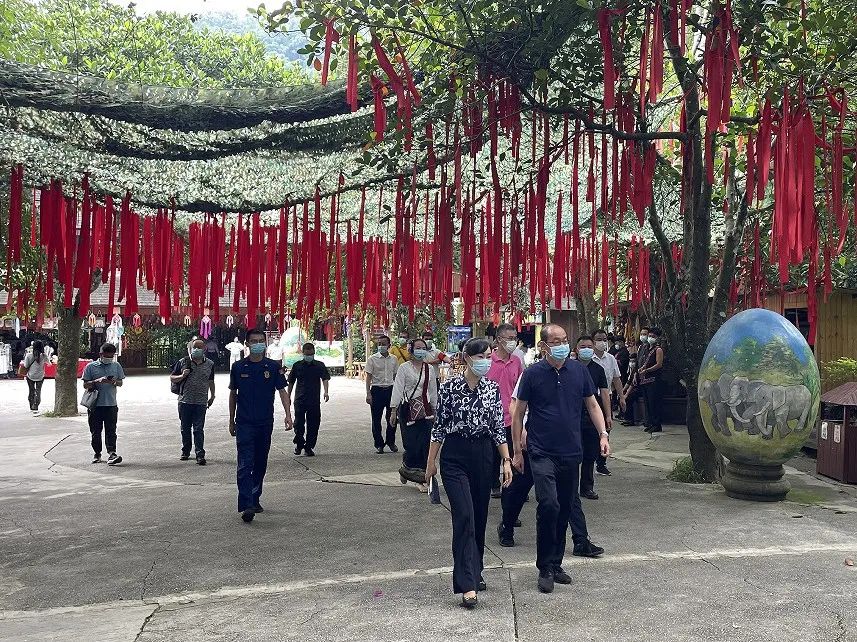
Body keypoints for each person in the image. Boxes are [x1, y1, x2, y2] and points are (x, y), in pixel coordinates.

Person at [511, 324, 609, 594]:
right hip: (541, 451)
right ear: (544, 346)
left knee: (565, 507)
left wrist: (603, 434)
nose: (562, 345)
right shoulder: (532, 374)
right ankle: (544, 566)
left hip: (571, 451)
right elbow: (518, 412)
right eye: (556, 341)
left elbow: (592, 404)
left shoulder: (578, 371)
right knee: (549, 505)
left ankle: (556, 563)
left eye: (565, 340)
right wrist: (518, 451)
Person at [426, 338, 512, 609]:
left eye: (489, 355)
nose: (486, 360)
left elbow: (498, 427)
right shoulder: (450, 387)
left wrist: (506, 460)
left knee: (480, 515)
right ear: (467, 357)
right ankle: (466, 583)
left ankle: (476, 569)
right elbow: (439, 426)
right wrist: (431, 463)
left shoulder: (491, 388)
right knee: (464, 515)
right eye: (482, 356)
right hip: (455, 456)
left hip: (484, 455)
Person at [229, 329, 292, 523]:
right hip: (245, 422)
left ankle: (255, 497)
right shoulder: (239, 367)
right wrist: (231, 419)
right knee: (244, 463)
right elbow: (233, 394)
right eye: (254, 341)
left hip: (265, 422)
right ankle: (246, 504)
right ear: (247, 344)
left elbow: (282, 391)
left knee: (260, 462)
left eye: (260, 341)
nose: (257, 344)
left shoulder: (273, 367)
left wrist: (289, 415)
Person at [390, 338, 438, 491]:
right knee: (411, 444)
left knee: (425, 443)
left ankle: (421, 479)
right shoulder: (404, 368)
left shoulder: (429, 369)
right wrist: (393, 410)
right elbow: (398, 388)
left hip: (425, 410)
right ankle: (407, 470)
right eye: (417, 347)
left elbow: (432, 390)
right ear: (411, 349)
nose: (421, 350)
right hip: (407, 410)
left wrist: (435, 409)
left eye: (423, 347)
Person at [485, 323, 524, 499]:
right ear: (499, 340)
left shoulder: (516, 361)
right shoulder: (487, 361)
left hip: (511, 417)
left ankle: (513, 488)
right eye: (510, 338)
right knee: (492, 455)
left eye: (515, 338)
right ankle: (493, 483)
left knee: (512, 453)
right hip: (489, 418)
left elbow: (521, 388)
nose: (513, 341)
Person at [576, 336, 611, 500]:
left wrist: (608, 415)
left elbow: (604, 393)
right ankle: (569, 487)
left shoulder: (598, 369)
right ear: (576, 349)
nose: (586, 349)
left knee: (590, 454)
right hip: (573, 416)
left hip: (591, 416)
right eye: (583, 346)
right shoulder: (570, 367)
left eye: (589, 346)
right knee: (573, 454)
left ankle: (587, 487)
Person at [170, 339, 215, 465]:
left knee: (198, 428)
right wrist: (182, 376)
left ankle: (200, 454)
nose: (197, 350)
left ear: (204, 349)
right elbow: (172, 378)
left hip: (201, 401)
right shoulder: (183, 362)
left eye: (200, 347)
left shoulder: (210, 364)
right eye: (195, 347)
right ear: (191, 348)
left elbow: (211, 381)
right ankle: (185, 451)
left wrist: (212, 396)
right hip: (185, 400)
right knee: (185, 428)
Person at [82, 343, 126, 466]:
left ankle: (112, 452)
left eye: (111, 356)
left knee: (111, 430)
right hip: (95, 404)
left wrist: (114, 382)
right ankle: (97, 453)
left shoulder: (116, 365)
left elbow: (120, 383)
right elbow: (85, 385)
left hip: (111, 403)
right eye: (107, 356)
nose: (109, 359)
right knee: (96, 431)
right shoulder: (91, 367)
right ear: (101, 354)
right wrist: (97, 381)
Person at [287, 342, 331, 456]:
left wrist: (326, 392)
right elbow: (291, 382)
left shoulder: (320, 365)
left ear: (314, 353)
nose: (309, 356)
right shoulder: (297, 366)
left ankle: (309, 447)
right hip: (300, 399)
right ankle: (299, 444)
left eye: (311, 354)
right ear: (303, 353)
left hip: (314, 400)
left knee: (314, 424)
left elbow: (325, 379)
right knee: (298, 424)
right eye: (307, 354)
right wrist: (288, 396)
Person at [592, 329, 623, 476]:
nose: (602, 342)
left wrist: (622, 397)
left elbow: (616, 379)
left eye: (604, 339)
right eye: (599, 339)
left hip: (605, 398)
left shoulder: (610, 358)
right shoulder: (587, 358)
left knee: (605, 429)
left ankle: (601, 463)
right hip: (589, 398)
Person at [365, 335, 400, 454]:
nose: (381, 346)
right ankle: (379, 444)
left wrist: (399, 392)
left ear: (389, 345)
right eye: (379, 344)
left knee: (392, 418)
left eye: (383, 344)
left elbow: (396, 376)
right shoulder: (372, 359)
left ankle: (391, 442)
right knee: (376, 419)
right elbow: (368, 377)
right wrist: (368, 393)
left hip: (391, 390)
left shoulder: (394, 359)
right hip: (376, 390)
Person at [622, 327, 650, 427]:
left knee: (629, 397)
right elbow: (630, 382)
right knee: (625, 396)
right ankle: (627, 417)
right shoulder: (640, 347)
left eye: (645, 334)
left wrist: (625, 394)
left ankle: (638, 420)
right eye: (641, 333)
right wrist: (622, 391)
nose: (643, 336)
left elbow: (632, 385)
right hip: (638, 380)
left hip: (645, 381)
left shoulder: (651, 349)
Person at [639, 328, 665, 433]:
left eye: (653, 336)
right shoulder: (645, 348)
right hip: (645, 380)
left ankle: (656, 424)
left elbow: (659, 364)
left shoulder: (658, 349)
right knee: (648, 403)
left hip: (654, 379)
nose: (650, 338)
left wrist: (647, 370)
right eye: (649, 336)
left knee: (654, 403)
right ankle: (650, 423)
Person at [20, 340, 48, 413]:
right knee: (38, 391)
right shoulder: (44, 355)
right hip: (40, 376)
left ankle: (31, 405)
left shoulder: (29, 355)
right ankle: (36, 405)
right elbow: (49, 363)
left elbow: (26, 365)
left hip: (30, 376)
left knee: (31, 390)